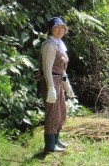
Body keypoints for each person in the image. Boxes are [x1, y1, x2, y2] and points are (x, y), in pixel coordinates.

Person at [40, 17, 75, 152]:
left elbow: (62, 71)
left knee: (61, 112)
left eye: (62, 28)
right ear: (51, 30)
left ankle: (56, 139)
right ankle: (49, 145)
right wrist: (50, 88)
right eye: (56, 28)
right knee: (52, 113)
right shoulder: (49, 45)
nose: (60, 30)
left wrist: (68, 87)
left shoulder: (59, 44)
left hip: (59, 81)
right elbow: (47, 68)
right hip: (51, 82)